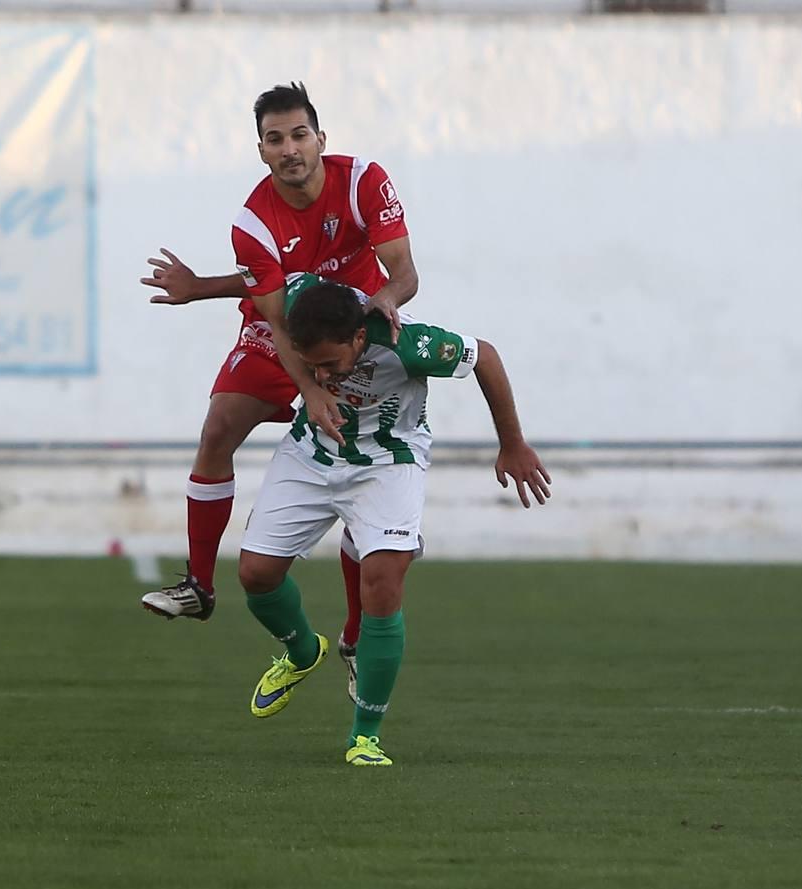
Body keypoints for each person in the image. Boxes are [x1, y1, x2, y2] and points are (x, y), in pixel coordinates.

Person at [139, 83, 418, 702]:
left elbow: (404, 273)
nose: (289, 149)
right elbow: (271, 311)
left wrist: (384, 304)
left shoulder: (364, 180)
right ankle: (200, 586)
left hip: (356, 332)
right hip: (285, 334)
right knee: (217, 430)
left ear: (321, 138)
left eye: (299, 135)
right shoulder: (253, 218)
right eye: (275, 139)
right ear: (260, 150)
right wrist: (308, 390)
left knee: (358, 466)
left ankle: (351, 638)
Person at [238, 274, 550, 766]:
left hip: (389, 462)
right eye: (310, 364)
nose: (321, 376)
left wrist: (512, 443)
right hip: (311, 453)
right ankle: (302, 652)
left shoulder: (410, 344)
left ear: (359, 338)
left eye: (330, 364)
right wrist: (194, 287)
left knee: (383, 582)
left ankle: (365, 737)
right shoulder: (299, 298)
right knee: (255, 575)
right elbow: (258, 286)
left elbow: (484, 356)